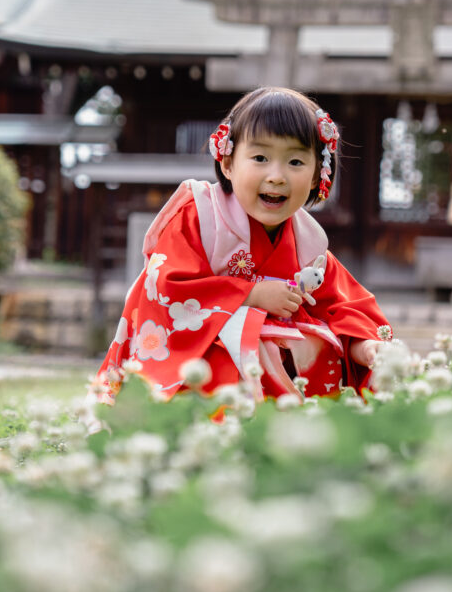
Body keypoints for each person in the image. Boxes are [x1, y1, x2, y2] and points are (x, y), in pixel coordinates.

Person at [91, 86, 391, 408]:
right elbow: (166, 287)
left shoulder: (308, 243)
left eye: (295, 161)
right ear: (228, 163)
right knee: (238, 342)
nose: (276, 176)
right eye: (260, 158)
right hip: (203, 361)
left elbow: (345, 305)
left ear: (319, 174)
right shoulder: (199, 216)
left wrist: (362, 345)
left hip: (269, 371)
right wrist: (250, 295)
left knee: (316, 344)